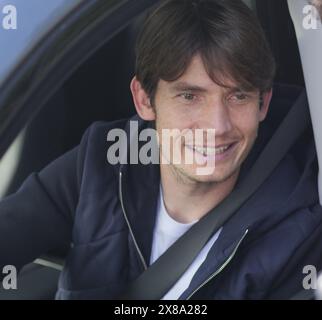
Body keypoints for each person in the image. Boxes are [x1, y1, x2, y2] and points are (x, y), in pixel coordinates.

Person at [1, 0, 322, 300]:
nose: (217, 126)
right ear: (144, 100)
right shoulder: (104, 160)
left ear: (263, 103)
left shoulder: (296, 226)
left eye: (238, 96)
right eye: (189, 97)